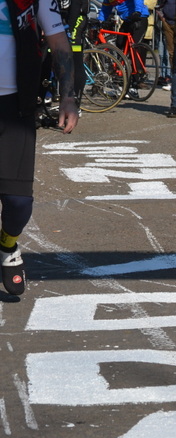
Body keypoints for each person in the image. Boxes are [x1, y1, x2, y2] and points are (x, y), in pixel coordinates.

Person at [1, 0, 79, 295]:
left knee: (19, 204)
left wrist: (68, 96)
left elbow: (58, 41)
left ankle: (6, 244)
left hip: (16, 108)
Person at [156, 0, 176, 90]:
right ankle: (173, 81)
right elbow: (160, 3)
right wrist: (162, 16)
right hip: (167, 22)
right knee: (171, 53)